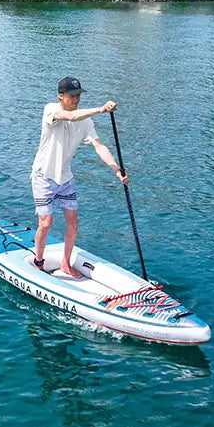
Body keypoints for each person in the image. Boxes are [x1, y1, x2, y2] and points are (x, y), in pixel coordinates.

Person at [31, 76, 129, 278]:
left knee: (73, 222)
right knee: (46, 223)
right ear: (61, 96)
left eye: (78, 95)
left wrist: (116, 170)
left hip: (65, 178)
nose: (76, 99)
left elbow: (99, 146)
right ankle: (38, 261)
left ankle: (66, 264)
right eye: (72, 95)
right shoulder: (51, 110)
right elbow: (72, 117)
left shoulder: (86, 122)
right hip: (44, 176)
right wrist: (101, 109)